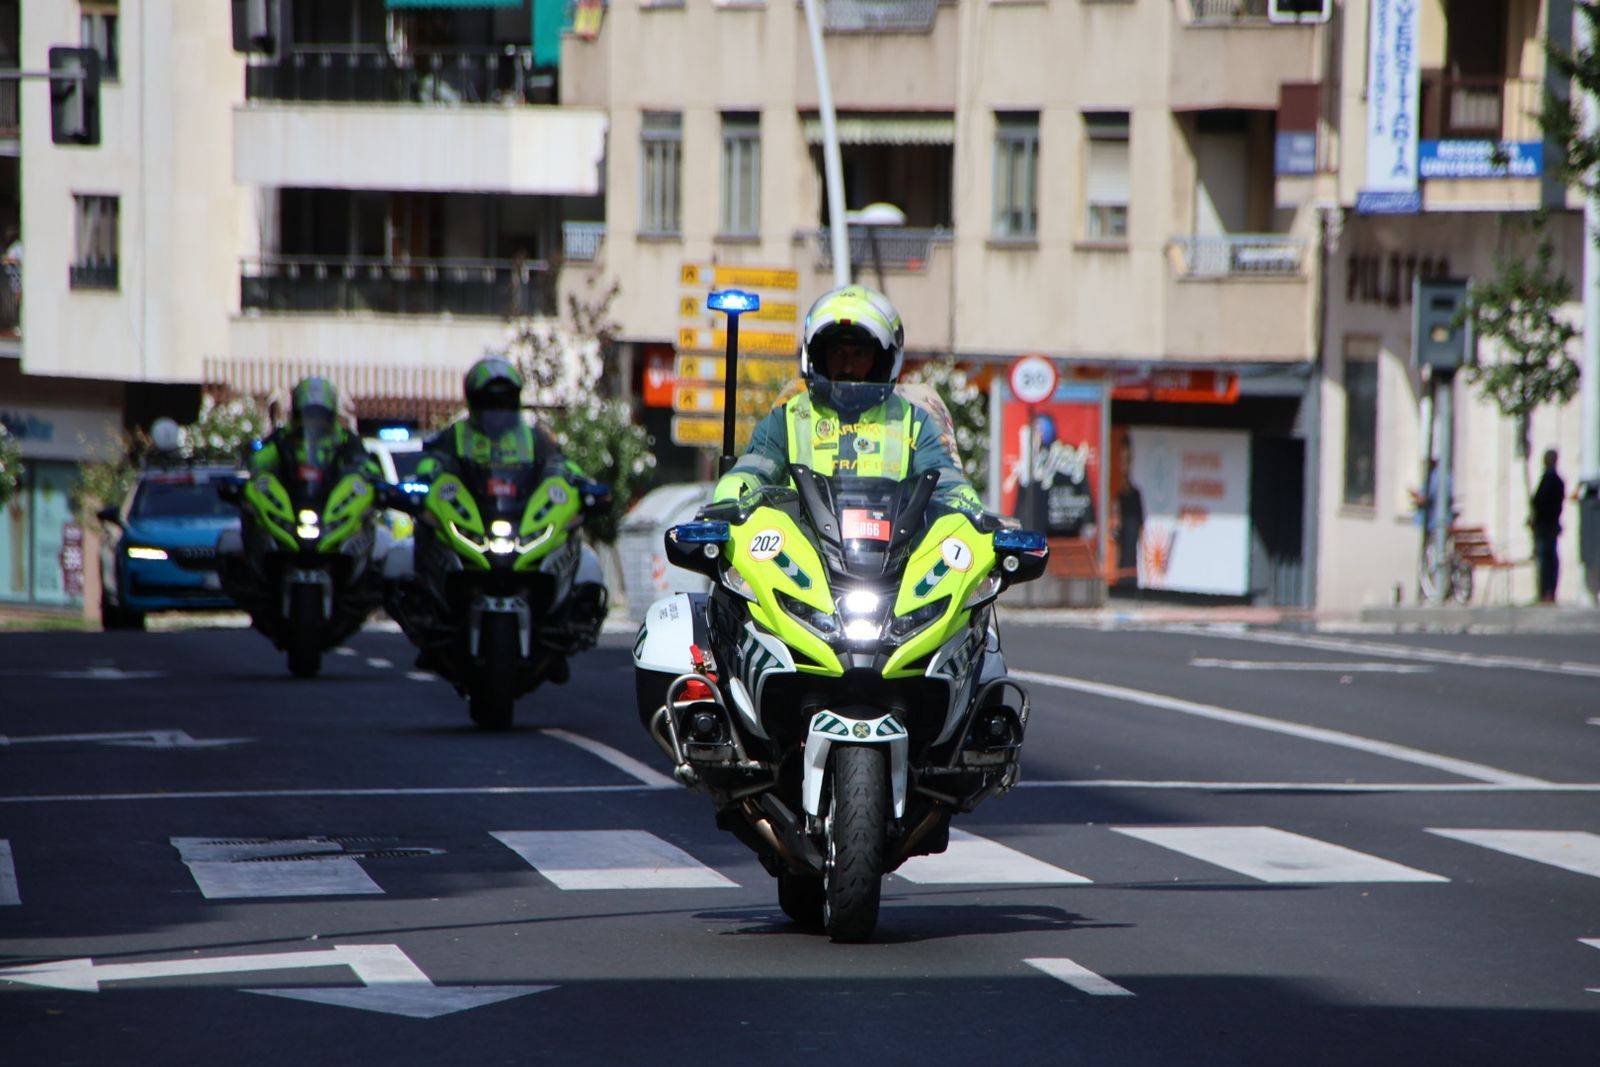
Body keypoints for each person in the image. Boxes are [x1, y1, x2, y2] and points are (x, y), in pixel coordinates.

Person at [712, 284, 984, 515]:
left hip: (897, 561)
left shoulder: (912, 420)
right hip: (798, 562)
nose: (848, 366)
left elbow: (943, 479)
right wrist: (733, 489)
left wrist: (966, 504)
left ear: (881, 360)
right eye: (837, 352)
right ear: (818, 357)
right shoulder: (790, 417)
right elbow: (757, 465)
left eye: (859, 354)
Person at [414, 356, 608, 645]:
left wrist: (585, 486)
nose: (497, 411)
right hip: (479, 519)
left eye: (504, 402)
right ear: (474, 402)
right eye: (489, 402)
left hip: (518, 518)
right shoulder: (456, 435)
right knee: (417, 540)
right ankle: (430, 609)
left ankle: (563, 618)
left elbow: (562, 466)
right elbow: (431, 464)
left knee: (581, 552)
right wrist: (421, 483)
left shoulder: (532, 438)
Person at [1530, 447, 1565, 604]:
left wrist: (1539, 518)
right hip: (1546, 525)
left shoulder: (1553, 480)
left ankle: (1547, 591)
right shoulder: (1549, 479)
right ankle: (1545, 591)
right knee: (1546, 559)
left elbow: (1545, 504)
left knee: (1547, 560)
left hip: (1547, 525)